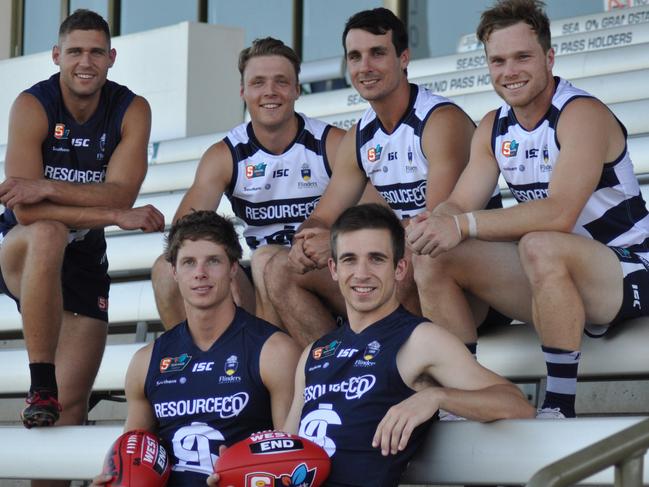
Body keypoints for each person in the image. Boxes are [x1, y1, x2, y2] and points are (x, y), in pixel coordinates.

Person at [405, 0, 649, 419]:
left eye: (522, 57)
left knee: (541, 242)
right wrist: (435, 221)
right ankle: (461, 396)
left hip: (627, 267)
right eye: (498, 60)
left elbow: (559, 214)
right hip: (554, 274)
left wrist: (461, 224)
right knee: (433, 255)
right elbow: (460, 202)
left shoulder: (580, 114)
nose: (510, 71)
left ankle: (558, 406)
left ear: (549, 58)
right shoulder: (492, 126)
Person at [265, 8, 501, 346]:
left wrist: (334, 237)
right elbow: (322, 216)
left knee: (410, 257)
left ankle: (393, 376)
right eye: (355, 57)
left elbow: (433, 227)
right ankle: (340, 370)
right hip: (403, 269)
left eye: (377, 53)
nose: (365, 67)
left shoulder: (439, 120)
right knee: (279, 269)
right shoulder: (359, 135)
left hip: (466, 284)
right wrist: (309, 241)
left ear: (403, 58)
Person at [277, 204, 533, 487]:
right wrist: (236, 471)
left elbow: (517, 404)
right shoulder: (314, 353)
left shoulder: (421, 339)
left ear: (399, 268)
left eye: (376, 259)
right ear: (334, 269)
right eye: (350, 260)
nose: (361, 273)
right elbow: (286, 455)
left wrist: (437, 397)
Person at [0, 9, 164, 434]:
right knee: (48, 231)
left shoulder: (131, 109)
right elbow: (26, 210)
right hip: (20, 248)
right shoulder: (32, 104)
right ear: (56, 55)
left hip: (85, 260)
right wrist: (110, 214)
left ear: (112, 57)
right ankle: (40, 383)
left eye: (95, 52)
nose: (85, 62)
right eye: (75, 51)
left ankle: (50, 402)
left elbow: (123, 191)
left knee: (69, 412)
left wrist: (47, 187)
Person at [151, 37, 378, 338]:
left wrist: (335, 243)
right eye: (258, 83)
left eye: (281, 82)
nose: (270, 92)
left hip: (322, 273)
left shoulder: (331, 143)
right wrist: (223, 255)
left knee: (268, 260)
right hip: (259, 284)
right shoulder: (225, 155)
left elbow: (378, 209)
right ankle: (197, 371)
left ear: (297, 89)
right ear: (243, 92)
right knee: (167, 270)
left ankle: (331, 366)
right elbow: (183, 232)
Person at [92, 211, 301, 486]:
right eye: (189, 262)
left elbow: (290, 463)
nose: (200, 273)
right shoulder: (146, 361)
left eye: (213, 261)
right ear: (175, 272)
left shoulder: (275, 351)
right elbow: (130, 457)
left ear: (233, 268)